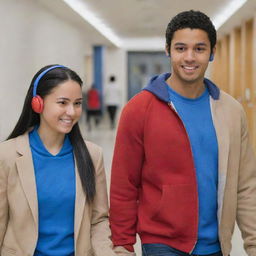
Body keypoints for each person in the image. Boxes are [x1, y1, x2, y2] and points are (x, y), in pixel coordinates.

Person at [110, 10, 256, 256]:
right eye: (180, 48)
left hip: (216, 244)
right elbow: (124, 185)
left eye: (199, 49)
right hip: (161, 243)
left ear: (212, 53)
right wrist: (123, 246)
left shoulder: (231, 111)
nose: (190, 57)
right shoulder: (139, 109)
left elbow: (245, 186)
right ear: (168, 50)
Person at [0, 65, 116, 256]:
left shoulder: (92, 155)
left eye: (78, 103)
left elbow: (98, 220)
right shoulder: (7, 155)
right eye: (63, 103)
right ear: (38, 103)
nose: (71, 112)